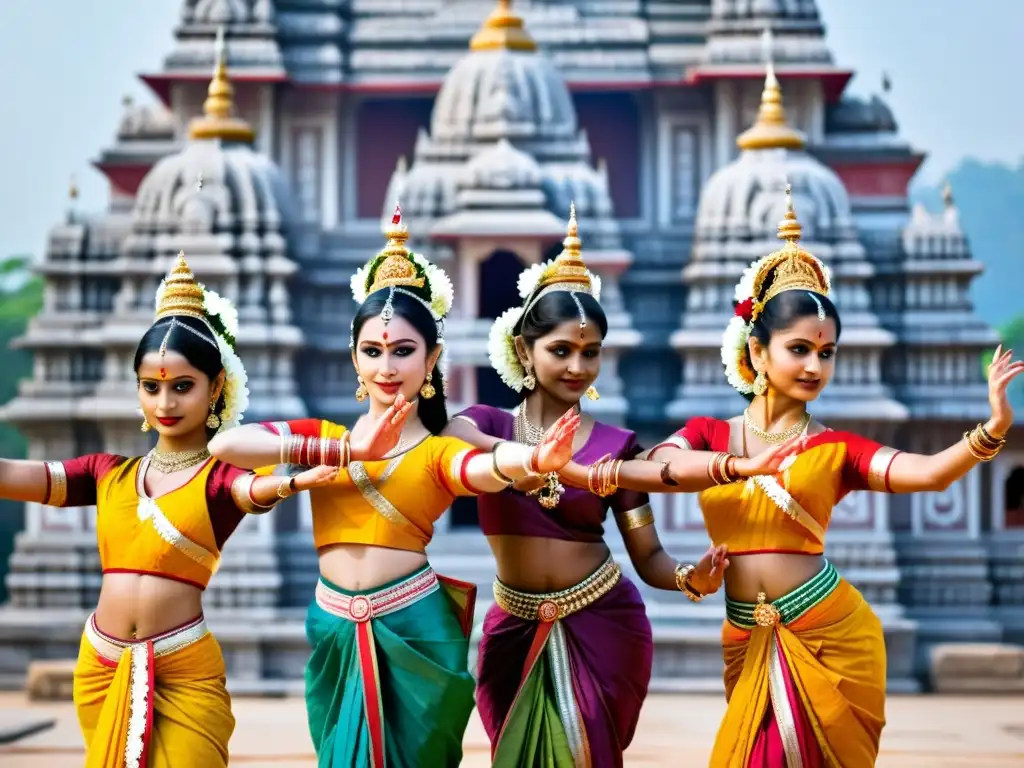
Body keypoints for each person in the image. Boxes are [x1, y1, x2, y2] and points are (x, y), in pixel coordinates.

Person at [571, 186, 1024, 766]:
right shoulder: (710, 433)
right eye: (800, 348)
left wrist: (993, 427)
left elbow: (930, 474)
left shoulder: (835, 448)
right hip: (747, 636)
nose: (816, 365)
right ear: (757, 352)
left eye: (828, 351)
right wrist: (737, 467)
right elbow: (655, 470)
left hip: (826, 634)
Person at [208, 205, 580, 768]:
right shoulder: (327, 437)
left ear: (431, 359)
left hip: (415, 629)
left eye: (404, 351)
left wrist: (531, 459)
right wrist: (346, 452)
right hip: (334, 624)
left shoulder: (437, 446)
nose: (387, 367)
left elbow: (482, 468)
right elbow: (224, 446)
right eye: (372, 351)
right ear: (354, 358)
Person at [0, 253, 345, 767]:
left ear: (215, 389)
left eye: (182, 386)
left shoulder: (218, 477)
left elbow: (250, 492)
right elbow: (13, 477)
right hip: (100, 664)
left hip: (182, 668)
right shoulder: (107, 472)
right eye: (151, 386)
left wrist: (291, 484)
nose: (165, 402)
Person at [444, 204, 729, 768]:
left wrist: (688, 577)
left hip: (601, 622)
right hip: (514, 627)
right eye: (561, 350)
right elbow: (452, 431)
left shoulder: (618, 444)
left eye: (591, 352)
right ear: (525, 351)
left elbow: (646, 555)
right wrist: (537, 460)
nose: (578, 366)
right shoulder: (487, 424)